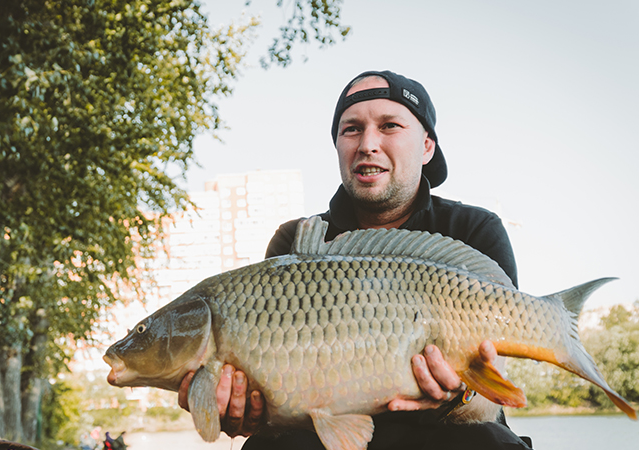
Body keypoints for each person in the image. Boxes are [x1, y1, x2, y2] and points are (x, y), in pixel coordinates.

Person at [179, 70, 532, 449]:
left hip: (445, 436)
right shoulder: (294, 241)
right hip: (323, 439)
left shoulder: (475, 229)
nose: (368, 144)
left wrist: (459, 395)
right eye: (351, 129)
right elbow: (273, 404)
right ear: (337, 146)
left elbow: (490, 391)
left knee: (492, 443)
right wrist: (245, 413)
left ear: (427, 146)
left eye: (389, 126)